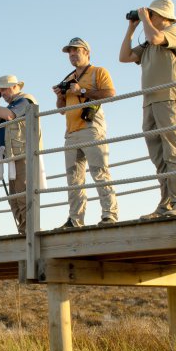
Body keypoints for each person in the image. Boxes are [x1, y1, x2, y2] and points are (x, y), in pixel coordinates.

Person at [119, 0, 176, 218]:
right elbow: (124, 57)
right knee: (159, 157)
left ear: (162, 16)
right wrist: (131, 29)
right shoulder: (148, 41)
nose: (148, 17)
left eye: (152, 14)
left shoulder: (173, 32)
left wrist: (144, 20)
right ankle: (166, 204)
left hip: (170, 99)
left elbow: (157, 37)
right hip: (149, 101)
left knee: (174, 152)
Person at [53, 38, 119, 228]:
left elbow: (110, 94)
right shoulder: (68, 78)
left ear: (87, 52)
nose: (72, 54)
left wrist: (81, 89)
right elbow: (61, 109)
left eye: (76, 51)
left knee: (99, 172)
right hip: (71, 131)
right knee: (73, 179)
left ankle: (109, 214)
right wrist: (60, 96)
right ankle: (75, 219)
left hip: (91, 128)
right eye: (70, 52)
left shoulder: (98, 72)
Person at [0, 76, 41, 235]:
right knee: (14, 198)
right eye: (0, 90)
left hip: (23, 155)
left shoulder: (25, 100)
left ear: (15, 87)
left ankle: (30, 230)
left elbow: (9, 116)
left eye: (4, 89)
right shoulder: (11, 104)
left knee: (22, 194)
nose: (2, 93)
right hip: (13, 156)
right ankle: (23, 229)